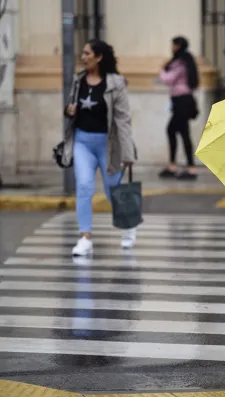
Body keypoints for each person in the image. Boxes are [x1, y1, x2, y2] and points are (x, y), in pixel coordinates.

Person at [63, 39, 137, 256]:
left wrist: (127, 153)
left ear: (99, 57)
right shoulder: (79, 81)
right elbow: (69, 109)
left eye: (87, 53)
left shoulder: (116, 83)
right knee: (84, 187)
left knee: (112, 189)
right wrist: (69, 110)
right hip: (83, 142)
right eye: (83, 53)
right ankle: (85, 237)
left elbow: (123, 120)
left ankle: (128, 227)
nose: (83, 57)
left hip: (108, 144)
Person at [158, 36, 200, 180]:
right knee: (181, 132)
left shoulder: (180, 62)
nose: (172, 47)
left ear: (178, 46)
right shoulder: (186, 60)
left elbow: (168, 79)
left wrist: (162, 70)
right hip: (181, 100)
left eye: (173, 45)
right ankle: (180, 166)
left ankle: (188, 168)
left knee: (174, 131)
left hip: (182, 101)